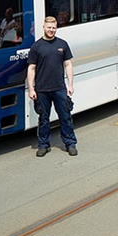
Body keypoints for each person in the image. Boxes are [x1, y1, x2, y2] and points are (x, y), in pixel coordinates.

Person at [26, 16, 76, 157]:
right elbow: (31, 68)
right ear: (44, 27)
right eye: (49, 27)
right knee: (43, 119)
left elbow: (68, 65)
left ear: (56, 28)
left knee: (65, 117)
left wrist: (70, 85)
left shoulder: (62, 44)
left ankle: (70, 144)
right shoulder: (36, 47)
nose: (51, 30)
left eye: (54, 28)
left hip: (59, 88)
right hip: (42, 90)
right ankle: (43, 145)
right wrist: (31, 88)